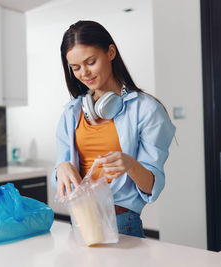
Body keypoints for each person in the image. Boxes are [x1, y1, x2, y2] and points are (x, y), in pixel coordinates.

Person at [51, 20, 176, 238]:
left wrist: (129, 164)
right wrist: (60, 168)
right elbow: (63, 180)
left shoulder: (147, 110)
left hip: (121, 223)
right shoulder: (71, 112)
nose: (84, 73)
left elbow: (151, 188)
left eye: (90, 62)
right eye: (75, 68)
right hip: (80, 222)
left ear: (110, 52)